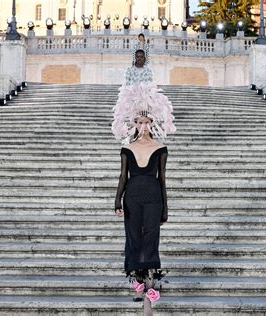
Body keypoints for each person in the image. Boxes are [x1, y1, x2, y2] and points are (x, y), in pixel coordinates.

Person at [112, 49, 176, 309]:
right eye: (139, 121)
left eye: (147, 120)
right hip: (133, 196)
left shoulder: (161, 148)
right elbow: (122, 177)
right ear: (133, 123)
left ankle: (150, 278)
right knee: (133, 236)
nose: (144, 124)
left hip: (153, 197)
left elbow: (163, 180)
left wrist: (166, 208)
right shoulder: (126, 148)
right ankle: (136, 277)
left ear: (153, 122)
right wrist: (117, 202)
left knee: (151, 236)